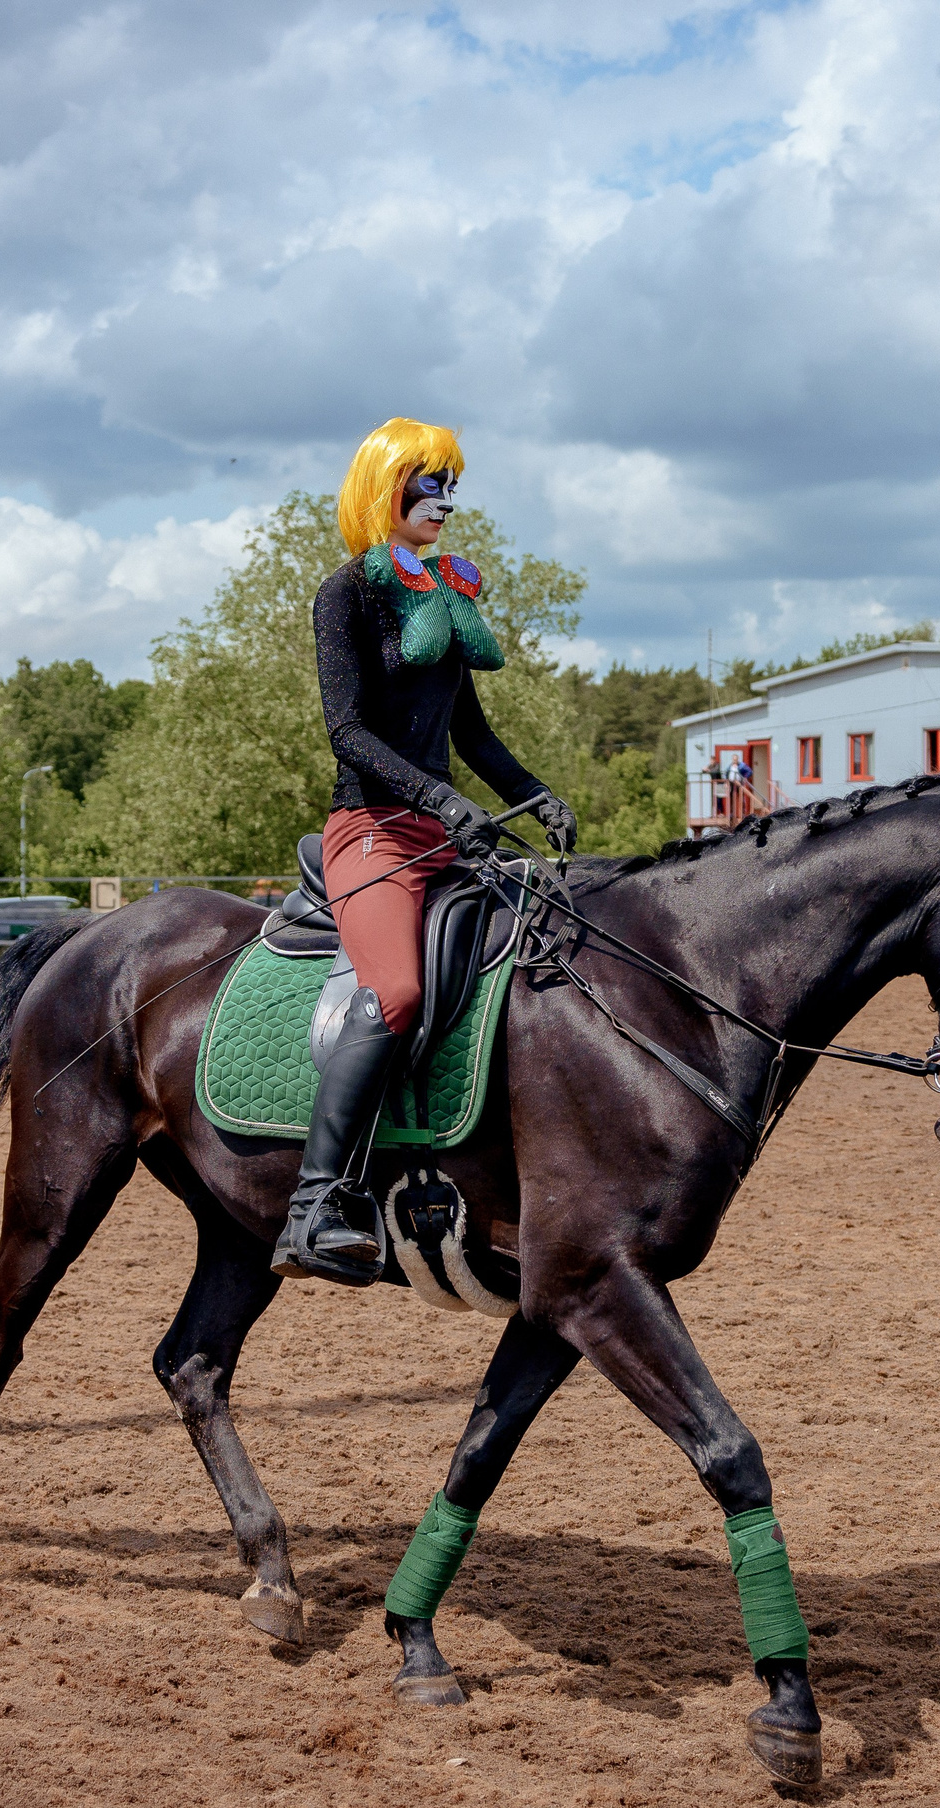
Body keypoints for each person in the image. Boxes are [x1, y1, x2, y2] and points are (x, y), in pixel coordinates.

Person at [269, 418, 577, 1285]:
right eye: (428, 484)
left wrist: (534, 793)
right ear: (385, 489)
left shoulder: (444, 592)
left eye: (451, 486)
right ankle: (313, 1206)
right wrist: (438, 798)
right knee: (397, 990)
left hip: (445, 835)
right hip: (371, 831)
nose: (444, 502)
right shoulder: (344, 595)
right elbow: (346, 732)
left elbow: (470, 732)